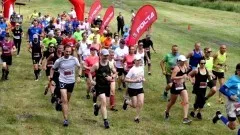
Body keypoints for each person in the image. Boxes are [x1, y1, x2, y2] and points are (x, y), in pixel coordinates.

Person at [50, 45, 81, 127]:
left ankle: (58, 102)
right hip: (62, 81)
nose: (67, 53)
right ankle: (65, 120)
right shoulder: (59, 61)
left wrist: (79, 76)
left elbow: (80, 67)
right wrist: (52, 79)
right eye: (66, 51)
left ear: (71, 52)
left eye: (69, 51)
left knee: (67, 100)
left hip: (71, 82)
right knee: (65, 100)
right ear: (63, 51)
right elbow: (52, 68)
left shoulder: (74, 59)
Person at [88, 49, 117, 129]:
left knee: (105, 103)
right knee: (103, 101)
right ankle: (105, 121)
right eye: (104, 56)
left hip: (107, 86)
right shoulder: (96, 65)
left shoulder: (110, 64)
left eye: (107, 56)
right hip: (99, 86)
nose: (106, 57)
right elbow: (90, 72)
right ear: (100, 55)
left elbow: (115, 72)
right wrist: (91, 80)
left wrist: (111, 77)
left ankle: (97, 108)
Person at [212, 63, 240, 134]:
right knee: (232, 127)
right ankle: (219, 115)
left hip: (239, 104)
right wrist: (230, 95)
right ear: (237, 71)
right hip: (231, 104)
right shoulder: (233, 79)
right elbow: (222, 89)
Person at [164, 55, 192, 124]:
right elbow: (172, 77)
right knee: (172, 102)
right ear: (179, 61)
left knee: (186, 101)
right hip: (175, 87)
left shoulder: (185, 67)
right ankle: (167, 111)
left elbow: (185, 74)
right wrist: (182, 76)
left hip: (182, 86)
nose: (184, 62)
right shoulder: (177, 68)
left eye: (184, 61)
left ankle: (185, 118)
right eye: (182, 61)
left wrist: (187, 77)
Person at [123, 54, 145, 123]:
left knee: (141, 102)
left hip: (140, 88)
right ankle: (126, 102)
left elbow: (142, 77)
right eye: (137, 60)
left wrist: (143, 79)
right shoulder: (132, 70)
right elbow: (125, 79)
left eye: (139, 60)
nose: (138, 61)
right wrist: (134, 81)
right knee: (134, 105)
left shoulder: (141, 68)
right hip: (132, 88)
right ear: (134, 61)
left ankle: (137, 117)